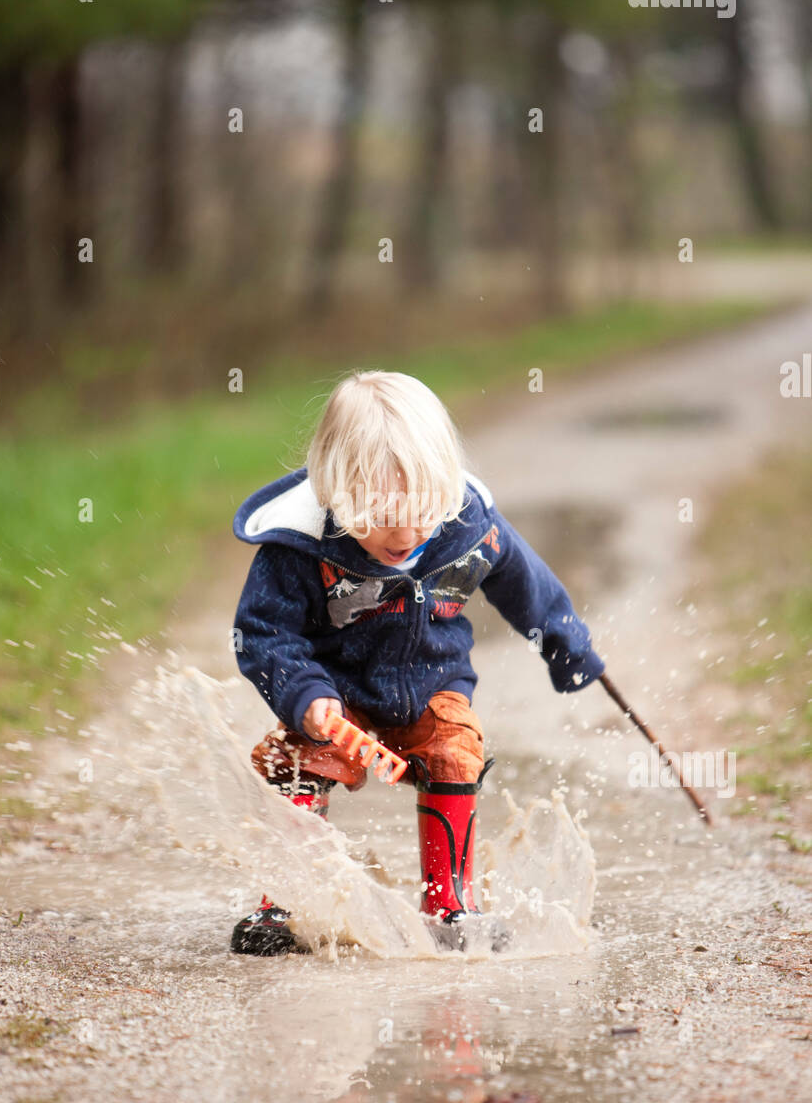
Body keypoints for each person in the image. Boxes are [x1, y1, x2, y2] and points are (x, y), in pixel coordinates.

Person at [229, 370, 604, 955]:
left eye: (422, 515)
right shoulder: (298, 547)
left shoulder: (468, 523)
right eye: (380, 519)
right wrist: (304, 694)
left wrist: (566, 643)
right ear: (336, 491)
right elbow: (261, 633)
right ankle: (288, 899)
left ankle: (449, 900)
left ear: (444, 487)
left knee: (455, 750)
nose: (406, 535)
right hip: (336, 688)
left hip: (433, 683)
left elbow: (525, 584)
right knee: (299, 758)